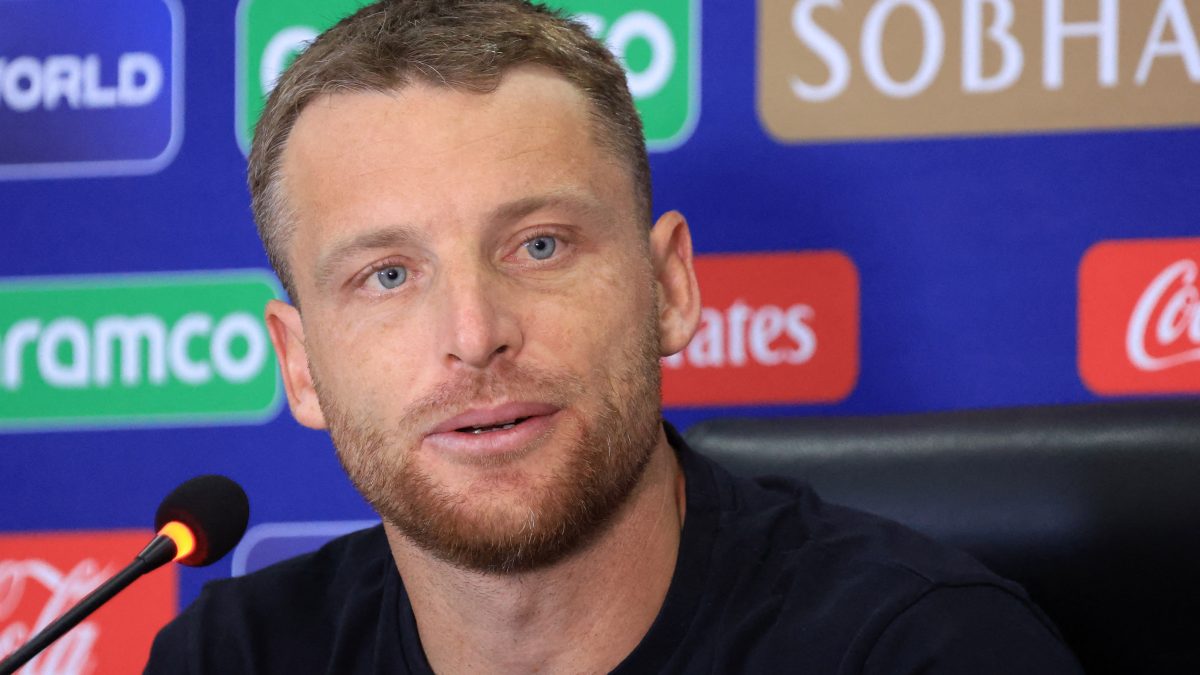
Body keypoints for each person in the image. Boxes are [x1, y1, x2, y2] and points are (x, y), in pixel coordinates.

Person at [146, 1, 1083, 672]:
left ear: (669, 286)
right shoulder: (234, 654)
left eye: (540, 244)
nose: (474, 335)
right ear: (300, 365)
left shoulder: (922, 648)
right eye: (387, 274)